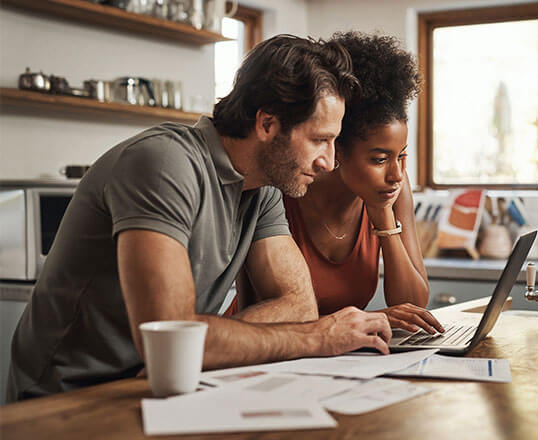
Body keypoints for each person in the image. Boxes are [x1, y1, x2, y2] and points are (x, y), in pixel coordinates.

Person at [6, 34, 393, 403]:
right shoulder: (163, 164)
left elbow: (298, 306)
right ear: (267, 124)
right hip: (71, 398)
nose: (327, 162)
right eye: (319, 140)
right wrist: (316, 338)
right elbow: (172, 338)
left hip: (164, 385)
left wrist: (201, 344)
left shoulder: (264, 188)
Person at [232, 32, 444, 335]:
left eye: (402, 156)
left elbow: (413, 305)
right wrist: (368, 320)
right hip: (262, 349)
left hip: (338, 356)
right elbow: (260, 310)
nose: (396, 174)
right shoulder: (282, 187)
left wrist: (383, 217)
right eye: (379, 159)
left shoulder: (392, 190)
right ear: (337, 149)